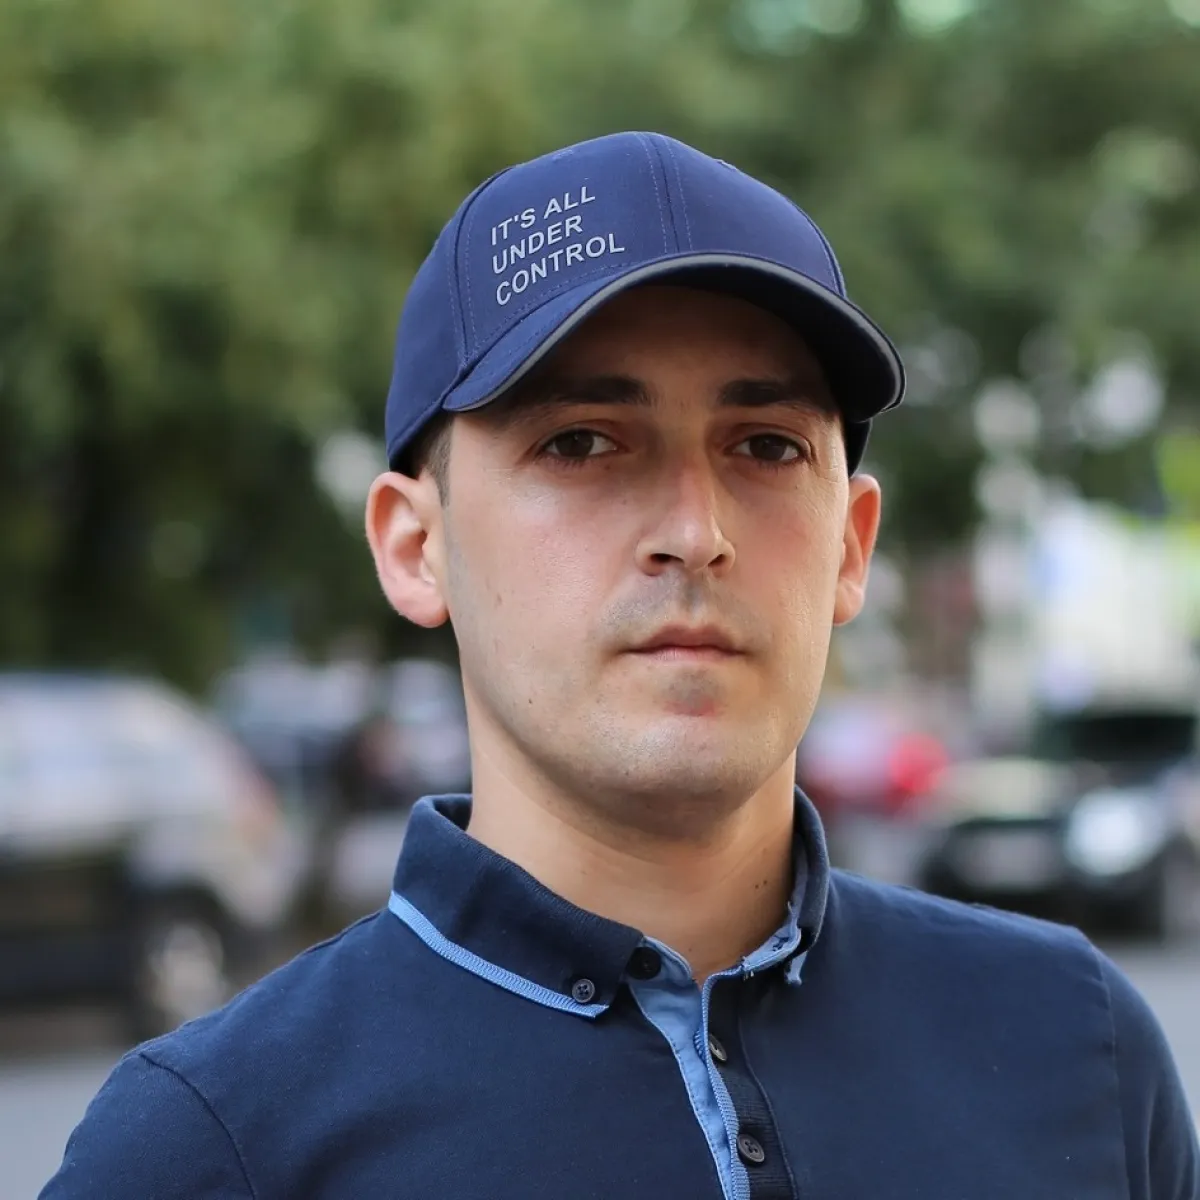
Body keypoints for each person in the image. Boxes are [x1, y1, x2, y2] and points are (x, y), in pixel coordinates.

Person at [41, 132, 1198, 1200]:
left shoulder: (1078, 1045)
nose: (695, 532)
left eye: (765, 446)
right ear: (414, 547)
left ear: (852, 549)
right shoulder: (213, 1149)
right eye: (582, 442)